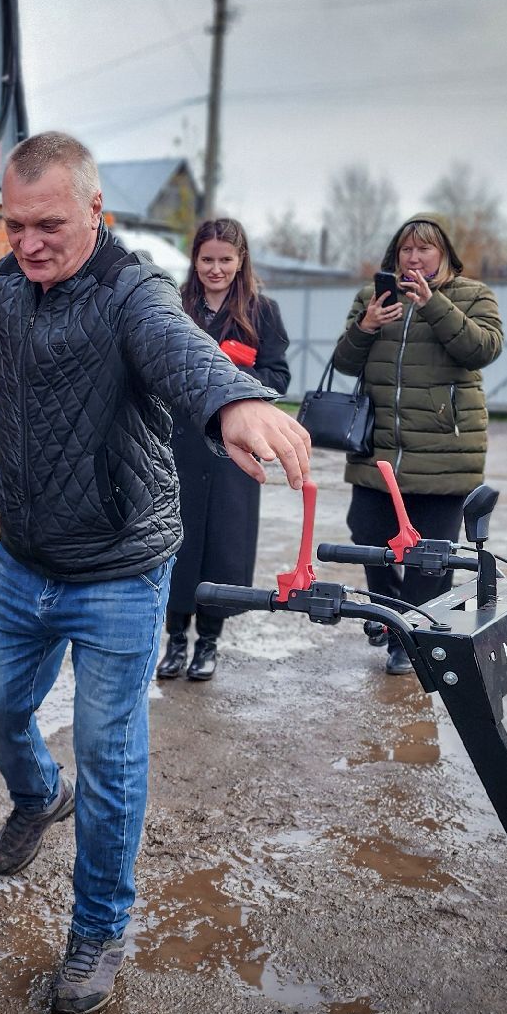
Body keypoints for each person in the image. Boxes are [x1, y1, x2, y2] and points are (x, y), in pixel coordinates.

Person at [0, 131, 311, 1014]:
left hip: (119, 570)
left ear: (96, 212)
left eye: (49, 224)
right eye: (14, 226)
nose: (29, 243)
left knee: (111, 757)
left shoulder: (133, 290)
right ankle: (40, 795)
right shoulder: (5, 290)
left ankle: (100, 927)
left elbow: (176, 344)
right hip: (25, 563)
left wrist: (233, 398)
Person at [332, 213, 503, 675]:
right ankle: (389, 616)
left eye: (424, 248)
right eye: (406, 249)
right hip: (378, 446)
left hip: (444, 449)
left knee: (430, 553)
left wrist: (432, 305)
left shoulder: (473, 295)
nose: (414, 257)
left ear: (443, 253)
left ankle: (411, 638)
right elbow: (344, 364)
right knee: (368, 533)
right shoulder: (373, 295)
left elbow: (483, 348)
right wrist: (365, 326)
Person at [159, 217, 291, 682]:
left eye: (225, 260)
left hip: (234, 450)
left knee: (222, 547)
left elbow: (278, 378)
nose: (215, 269)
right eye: (207, 259)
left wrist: (237, 376)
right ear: (195, 260)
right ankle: (174, 641)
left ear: (241, 261)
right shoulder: (173, 305)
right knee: (175, 542)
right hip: (177, 444)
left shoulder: (262, 311)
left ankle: (208, 642)